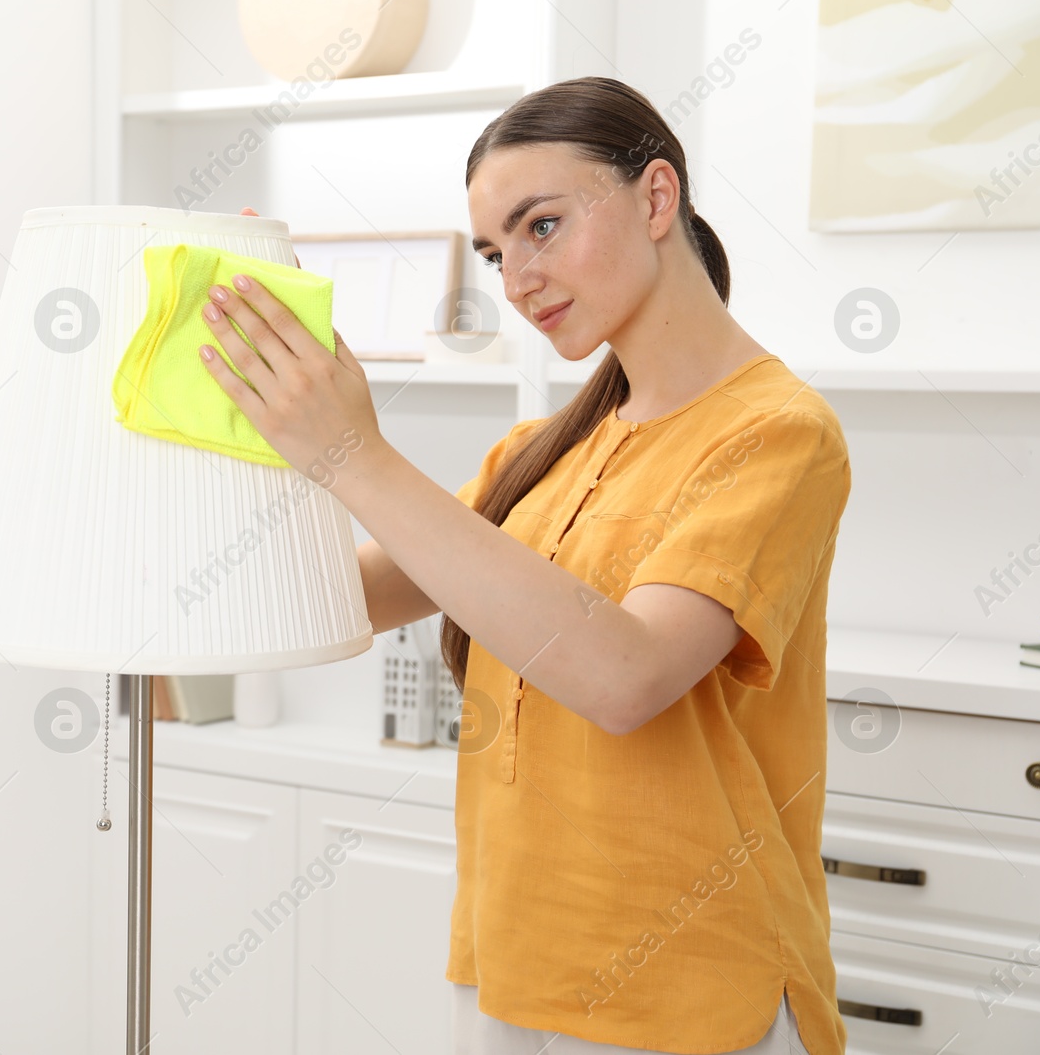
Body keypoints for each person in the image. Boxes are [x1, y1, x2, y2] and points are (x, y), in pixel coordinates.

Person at [212, 75, 849, 1055]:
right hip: (515, 960)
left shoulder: (776, 434)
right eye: (494, 252)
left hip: (691, 987)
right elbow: (343, 593)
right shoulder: (538, 451)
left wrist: (354, 452)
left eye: (540, 227)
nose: (515, 280)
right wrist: (277, 366)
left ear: (654, 198)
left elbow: (625, 673)